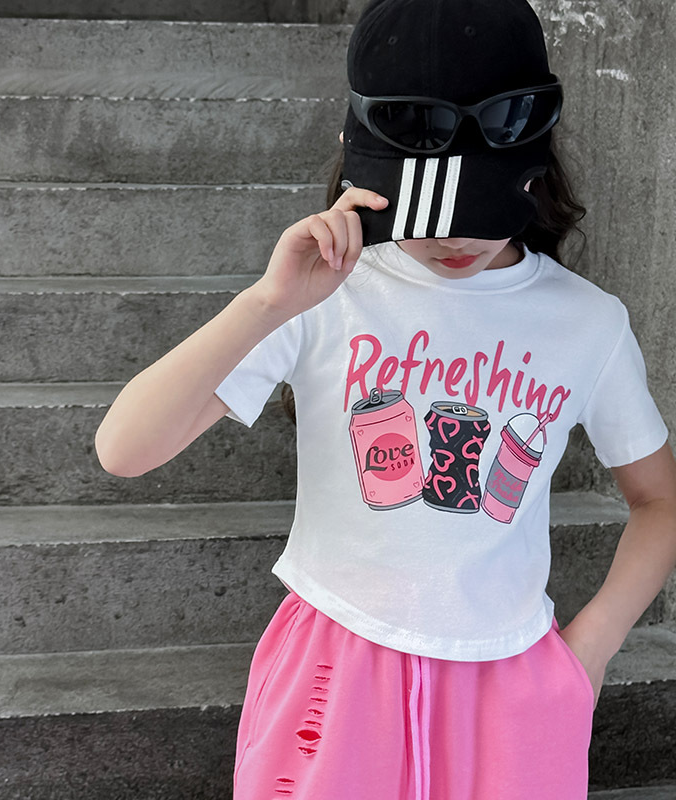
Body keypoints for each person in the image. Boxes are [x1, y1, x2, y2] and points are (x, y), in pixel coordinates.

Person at [95, 0, 676, 797]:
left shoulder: (588, 323)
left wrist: (590, 649)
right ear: (357, 158)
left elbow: (659, 500)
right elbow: (124, 450)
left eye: (480, 204)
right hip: (333, 676)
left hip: (512, 685)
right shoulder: (325, 295)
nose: (454, 236)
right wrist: (268, 302)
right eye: (426, 207)